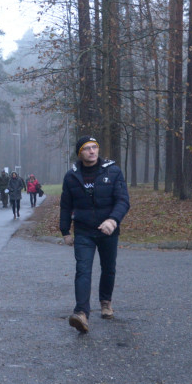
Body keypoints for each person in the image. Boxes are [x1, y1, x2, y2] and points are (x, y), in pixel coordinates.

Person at [59, 136, 130, 333]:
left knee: (108, 268)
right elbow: (65, 206)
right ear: (80, 153)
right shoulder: (71, 176)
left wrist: (113, 220)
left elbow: (123, 200)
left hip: (108, 230)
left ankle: (105, 302)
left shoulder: (113, 171)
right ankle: (81, 313)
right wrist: (65, 230)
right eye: (87, 148)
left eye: (95, 147)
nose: (92, 151)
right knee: (83, 270)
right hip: (83, 231)